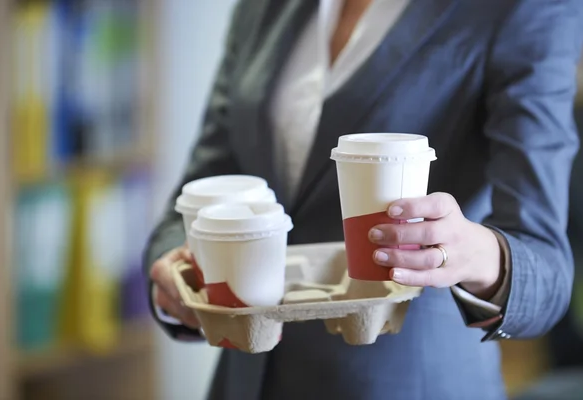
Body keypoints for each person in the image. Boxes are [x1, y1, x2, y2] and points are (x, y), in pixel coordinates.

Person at [143, 0, 583, 399]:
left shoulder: (522, 9)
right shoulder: (262, 9)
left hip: (405, 383)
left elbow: (548, 273)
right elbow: (197, 194)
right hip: (247, 379)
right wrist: (172, 278)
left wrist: (477, 255)